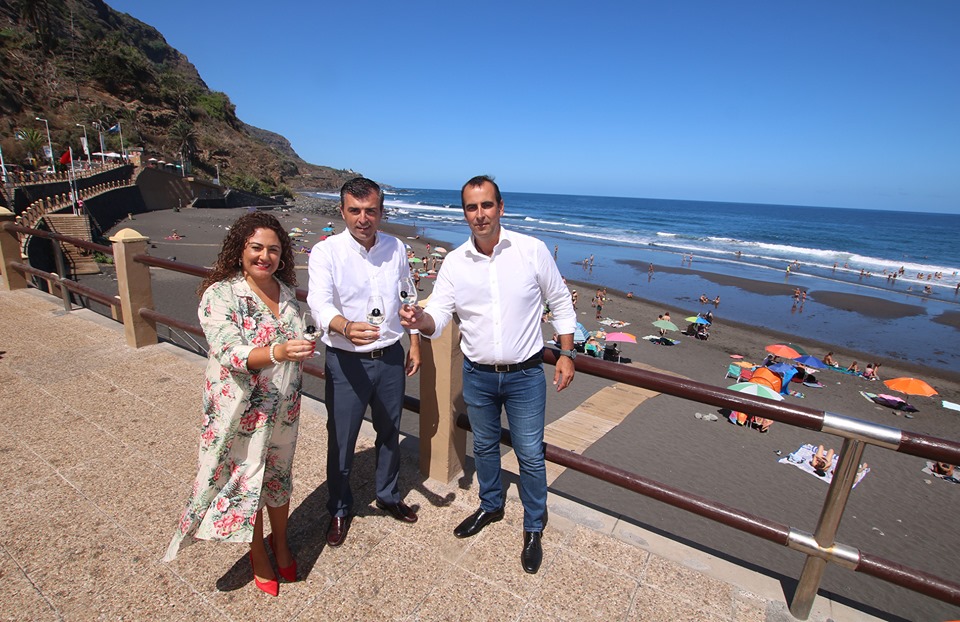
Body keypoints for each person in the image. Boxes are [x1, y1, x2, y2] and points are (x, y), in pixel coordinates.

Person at [400, 175, 576, 575]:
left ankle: (534, 526)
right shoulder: (455, 262)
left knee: (530, 454)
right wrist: (420, 320)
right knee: (484, 447)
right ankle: (491, 506)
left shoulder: (531, 250)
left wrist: (567, 353)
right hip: (477, 374)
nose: (479, 215)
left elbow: (560, 301)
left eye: (486, 205)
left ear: (500, 207)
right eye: (471, 207)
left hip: (526, 375)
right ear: (464, 212)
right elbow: (439, 318)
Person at [163, 212, 314, 597]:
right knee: (248, 479)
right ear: (241, 250)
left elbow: (296, 341)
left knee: (279, 477)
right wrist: (279, 350)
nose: (265, 256)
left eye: (274, 250)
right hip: (242, 410)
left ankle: (281, 543)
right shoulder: (220, 294)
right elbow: (229, 351)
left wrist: (304, 345)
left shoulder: (286, 292)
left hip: (284, 407)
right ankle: (257, 551)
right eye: (257, 248)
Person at [307, 177, 421, 548]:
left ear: (381, 211)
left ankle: (388, 495)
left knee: (390, 432)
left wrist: (414, 341)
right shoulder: (326, 252)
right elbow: (319, 304)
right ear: (342, 211)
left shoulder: (396, 247)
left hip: (390, 356)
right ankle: (339, 508)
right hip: (346, 361)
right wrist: (343, 326)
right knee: (341, 439)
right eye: (354, 211)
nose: (363, 218)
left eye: (370, 210)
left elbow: (408, 295)